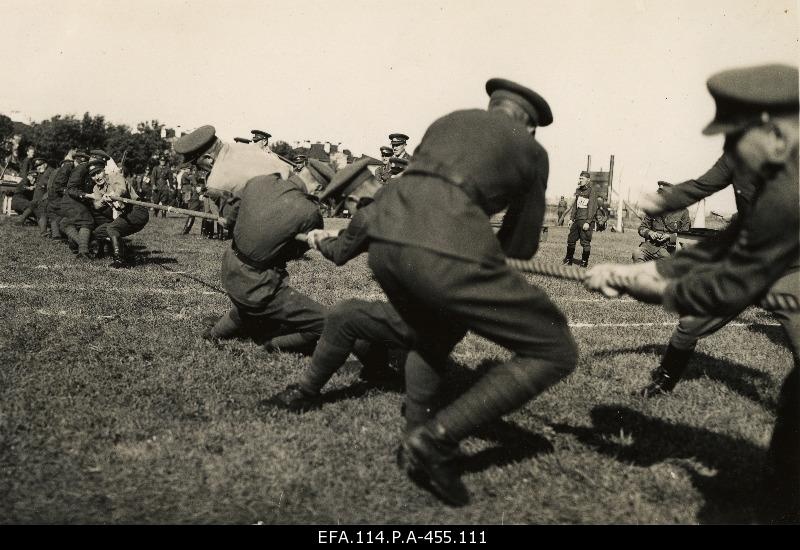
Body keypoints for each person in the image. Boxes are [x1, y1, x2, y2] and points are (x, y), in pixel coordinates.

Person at [584, 64, 799, 523]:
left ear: (774, 132)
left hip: (791, 271)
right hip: (761, 258)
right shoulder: (766, 160)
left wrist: (650, 285)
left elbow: (730, 273)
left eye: (736, 136)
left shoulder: (791, 187)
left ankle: (780, 495)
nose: (730, 150)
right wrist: (644, 268)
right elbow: (727, 242)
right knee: (694, 328)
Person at [365, 78, 577, 506]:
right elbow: (522, 242)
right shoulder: (532, 150)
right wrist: (489, 267)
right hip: (444, 248)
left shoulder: (447, 121)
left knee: (435, 329)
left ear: (491, 106)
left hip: (383, 241)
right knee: (554, 349)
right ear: (530, 125)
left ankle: (413, 436)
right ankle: (436, 441)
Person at [265, 160, 410, 412]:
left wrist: (318, 240)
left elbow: (341, 254)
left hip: (423, 315)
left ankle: (305, 393)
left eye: (347, 206)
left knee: (343, 316)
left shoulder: (368, 214)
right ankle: (380, 369)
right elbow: (364, 236)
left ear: (354, 199)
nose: (351, 213)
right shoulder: (401, 197)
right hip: (447, 308)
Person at [201, 173, 327, 353]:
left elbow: (230, 217)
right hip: (258, 285)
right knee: (326, 323)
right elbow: (296, 251)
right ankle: (266, 348)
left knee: (250, 308)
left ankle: (214, 334)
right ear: (319, 189)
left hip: (230, 266)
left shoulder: (259, 181)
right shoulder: (310, 212)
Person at [175, 125, 291, 239]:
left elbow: (229, 220)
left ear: (208, 159)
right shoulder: (243, 147)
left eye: (196, 163)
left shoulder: (216, 182)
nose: (198, 168)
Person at [89, 161, 150, 267]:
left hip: (137, 211)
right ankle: (130, 255)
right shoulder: (96, 188)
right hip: (125, 215)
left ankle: (119, 260)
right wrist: (103, 200)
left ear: (104, 171)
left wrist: (114, 195)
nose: (97, 177)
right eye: (93, 175)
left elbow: (121, 189)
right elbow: (97, 205)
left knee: (112, 228)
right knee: (100, 232)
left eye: (98, 172)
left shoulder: (115, 176)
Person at [632, 181, 691, 262]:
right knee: (637, 253)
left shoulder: (683, 211)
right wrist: (650, 233)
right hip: (651, 247)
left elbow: (686, 237)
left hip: (670, 250)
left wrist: (670, 237)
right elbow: (642, 228)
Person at [559, 171, 598, 267]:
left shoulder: (592, 191)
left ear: (588, 180)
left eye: (582, 179)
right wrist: (571, 219)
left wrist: (588, 222)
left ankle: (584, 262)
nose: (580, 180)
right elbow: (575, 206)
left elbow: (592, 208)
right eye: (579, 178)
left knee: (585, 242)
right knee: (571, 240)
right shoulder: (578, 190)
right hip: (577, 220)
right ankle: (569, 260)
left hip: (585, 221)